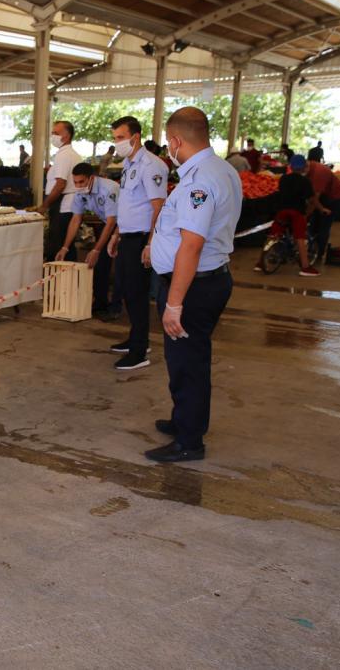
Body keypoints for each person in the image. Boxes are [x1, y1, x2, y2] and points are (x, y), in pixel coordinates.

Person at [146, 106, 241, 463]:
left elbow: (192, 245)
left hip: (193, 287)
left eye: (168, 143)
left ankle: (189, 440)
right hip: (208, 279)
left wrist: (174, 303)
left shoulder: (198, 180)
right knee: (186, 359)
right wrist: (155, 247)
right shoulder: (222, 169)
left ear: (175, 141)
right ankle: (183, 420)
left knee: (188, 364)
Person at [106, 116, 168, 370]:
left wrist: (151, 243)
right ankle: (135, 337)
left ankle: (140, 351)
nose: (117, 142)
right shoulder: (128, 164)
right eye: (115, 138)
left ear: (135, 137)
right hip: (127, 235)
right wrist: (116, 234)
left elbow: (159, 207)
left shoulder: (151, 165)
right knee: (125, 290)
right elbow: (128, 205)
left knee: (137, 293)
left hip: (141, 237)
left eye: (121, 137)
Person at [55, 163, 119, 316]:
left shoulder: (109, 189)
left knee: (121, 269)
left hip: (127, 226)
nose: (78, 186)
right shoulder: (80, 193)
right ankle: (100, 304)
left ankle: (115, 308)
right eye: (75, 182)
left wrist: (96, 249)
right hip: (108, 224)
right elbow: (76, 219)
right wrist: (65, 247)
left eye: (81, 182)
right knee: (100, 265)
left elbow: (112, 222)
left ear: (92, 178)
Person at [255, 154, 323, 277]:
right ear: (304, 167)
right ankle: (306, 267)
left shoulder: (283, 178)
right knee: (300, 238)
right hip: (297, 212)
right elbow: (312, 199)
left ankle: (260, 263)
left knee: (273, 235)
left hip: (282, 211)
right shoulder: (305, 181)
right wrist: (318, 209)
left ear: (290, 166)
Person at [38, 121, 83, 263]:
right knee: (64, 243)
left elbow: (60, 184)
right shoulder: (70, 154)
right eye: (52, 133)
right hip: (66, 204)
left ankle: (60, 274)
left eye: (56, 133)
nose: (53, 136)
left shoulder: (64, 155)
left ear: (67, 136)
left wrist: (44, 205)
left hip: (63, 205)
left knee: (58, 244)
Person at [306, 146, 340, 262]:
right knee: (313, 223)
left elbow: (314, 199)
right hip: (324, 195)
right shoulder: (306, 168)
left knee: (323, 224)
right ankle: (310, 248)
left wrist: (307, 214)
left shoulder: (319, 173)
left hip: (335, 197)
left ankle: (318, 253)